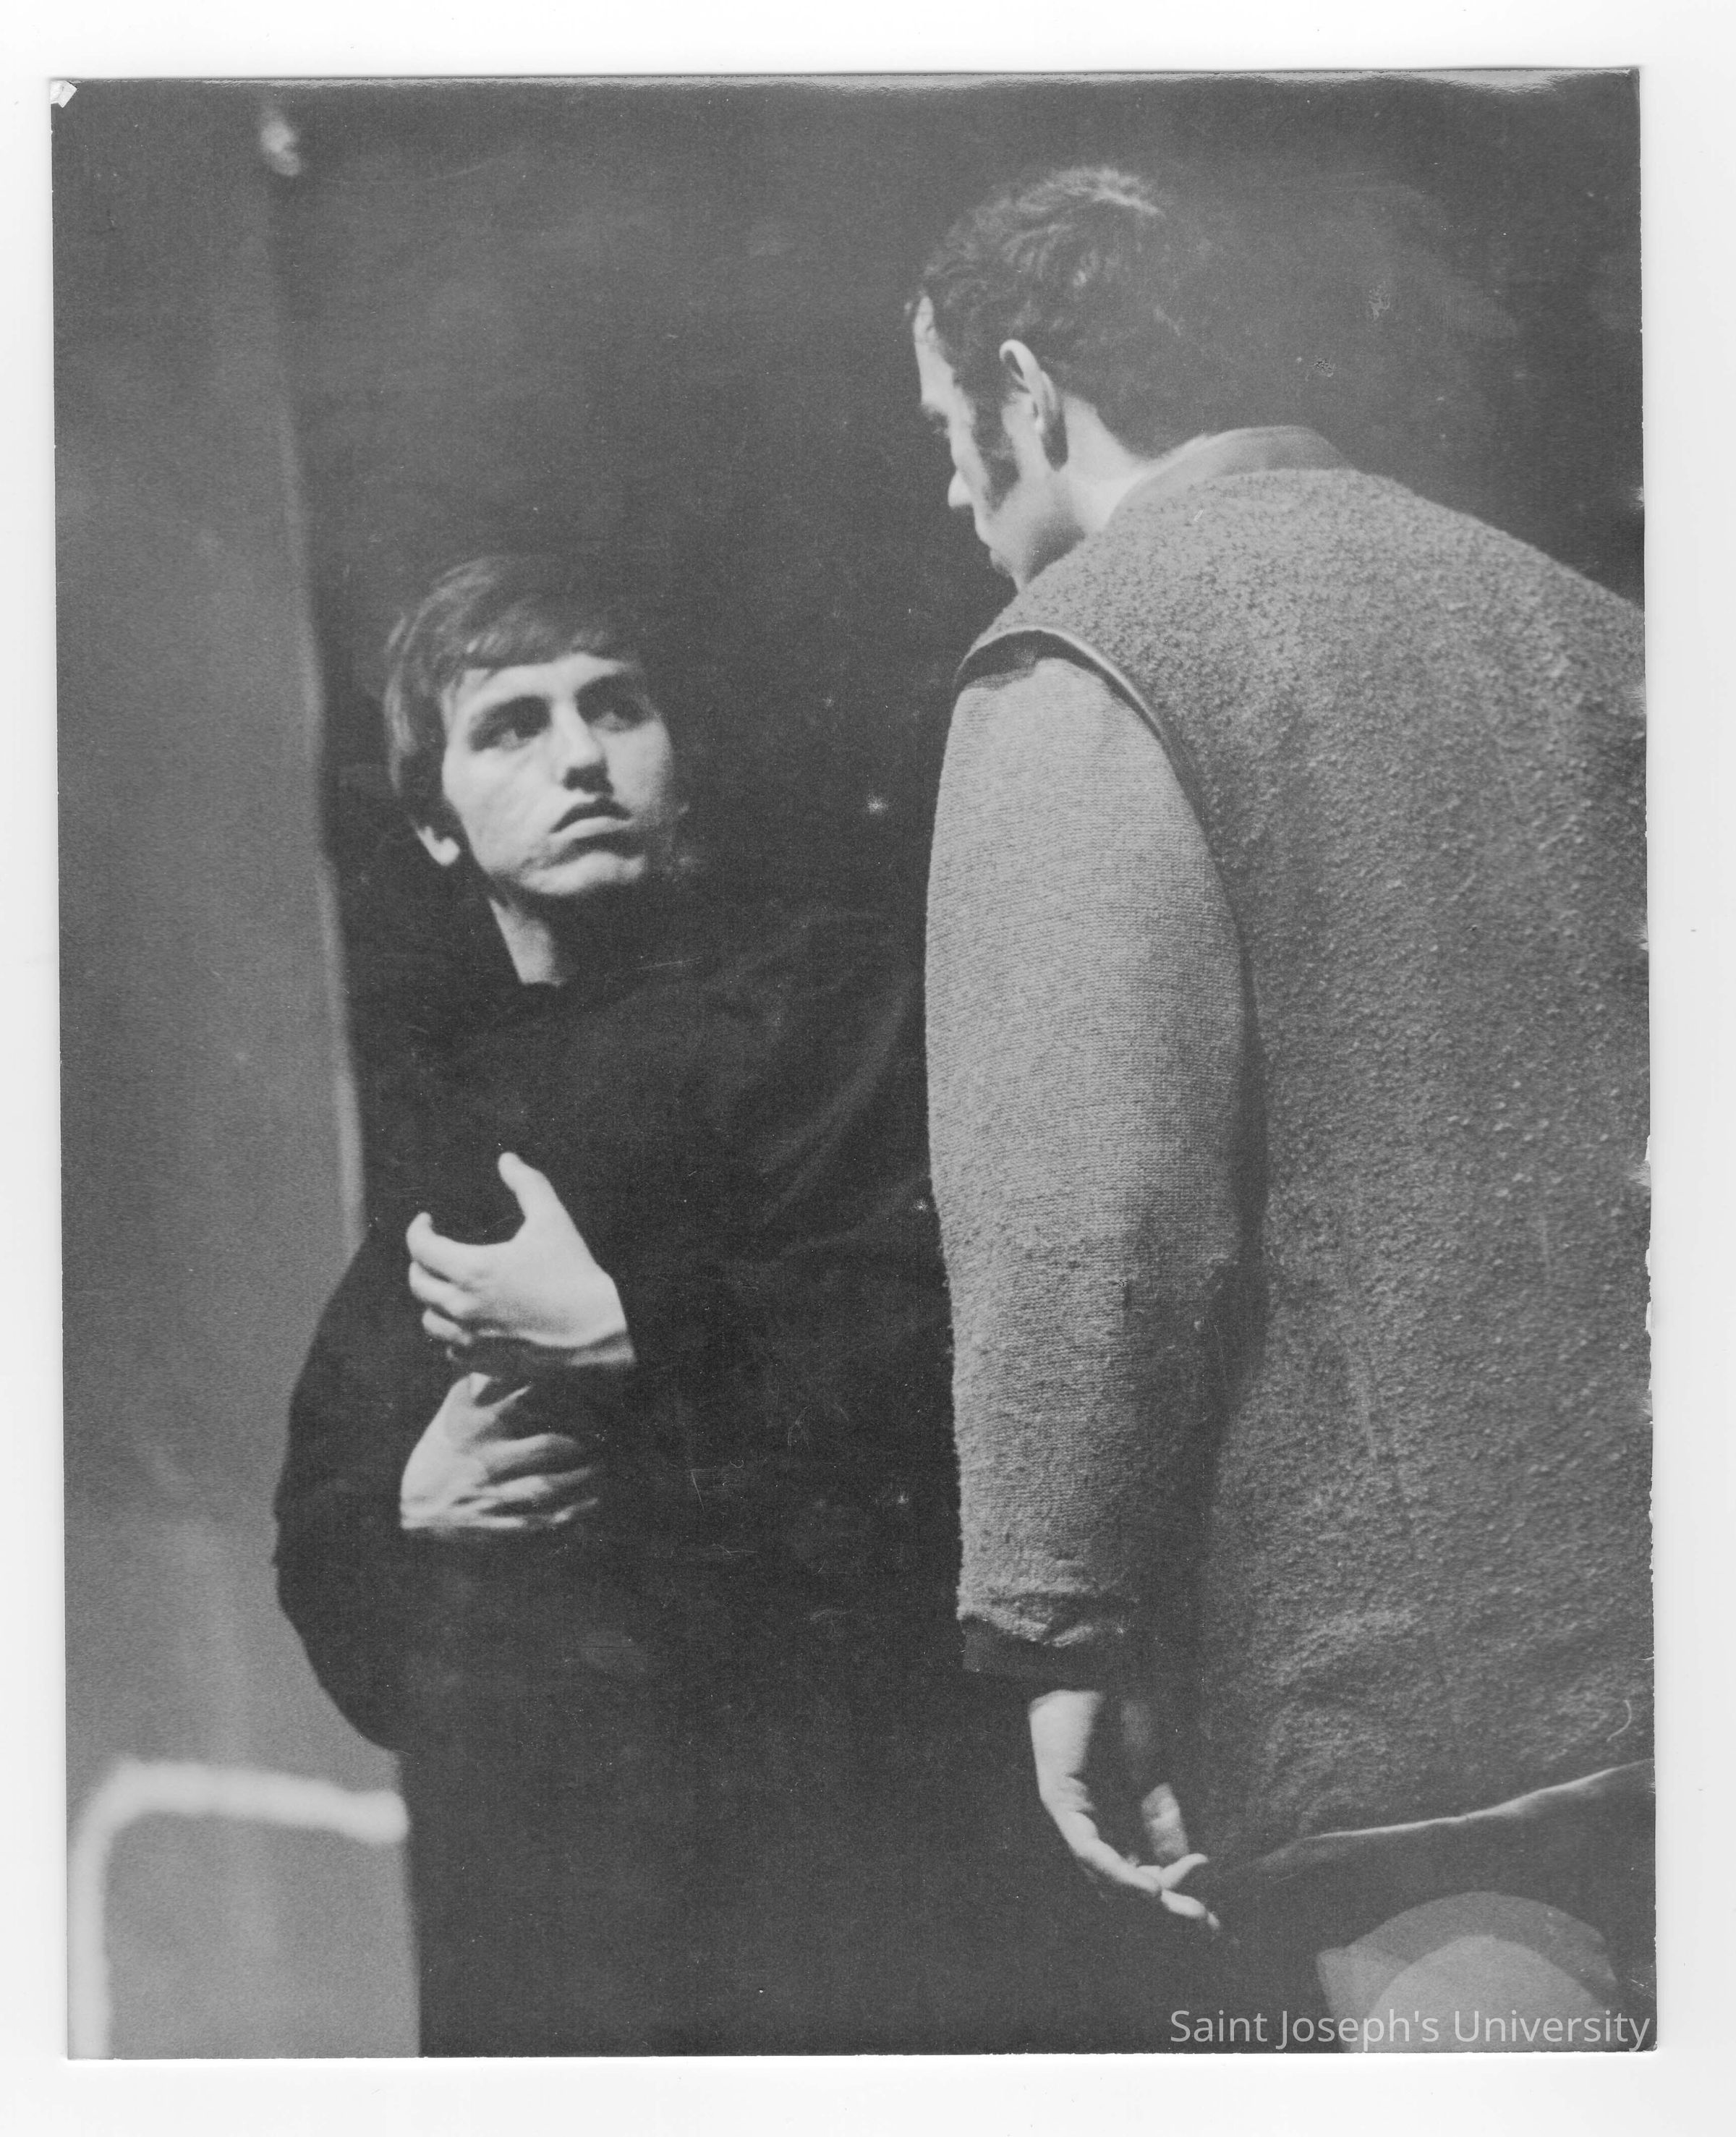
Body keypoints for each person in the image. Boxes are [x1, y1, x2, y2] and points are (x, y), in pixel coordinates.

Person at [910, 167, 1652, 2038]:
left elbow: (1091, 1214)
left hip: (1416, 1732)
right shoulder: (1586, 627)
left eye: (944, 432)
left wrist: (1056, 1614)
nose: (951, 493)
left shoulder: (1086, 654)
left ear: (1027, 387)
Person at [275, 553, 1191, 2055]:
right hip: (570, 1889)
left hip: (851, 1823)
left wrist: (631, 1331)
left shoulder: (832, 1001)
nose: (581, 757)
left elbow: (962, 1334)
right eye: (511, 724)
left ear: (677, 756)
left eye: (615, 705)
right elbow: (327, 1499)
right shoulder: (457, 1109)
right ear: (436, 820)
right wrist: (411, 1508)